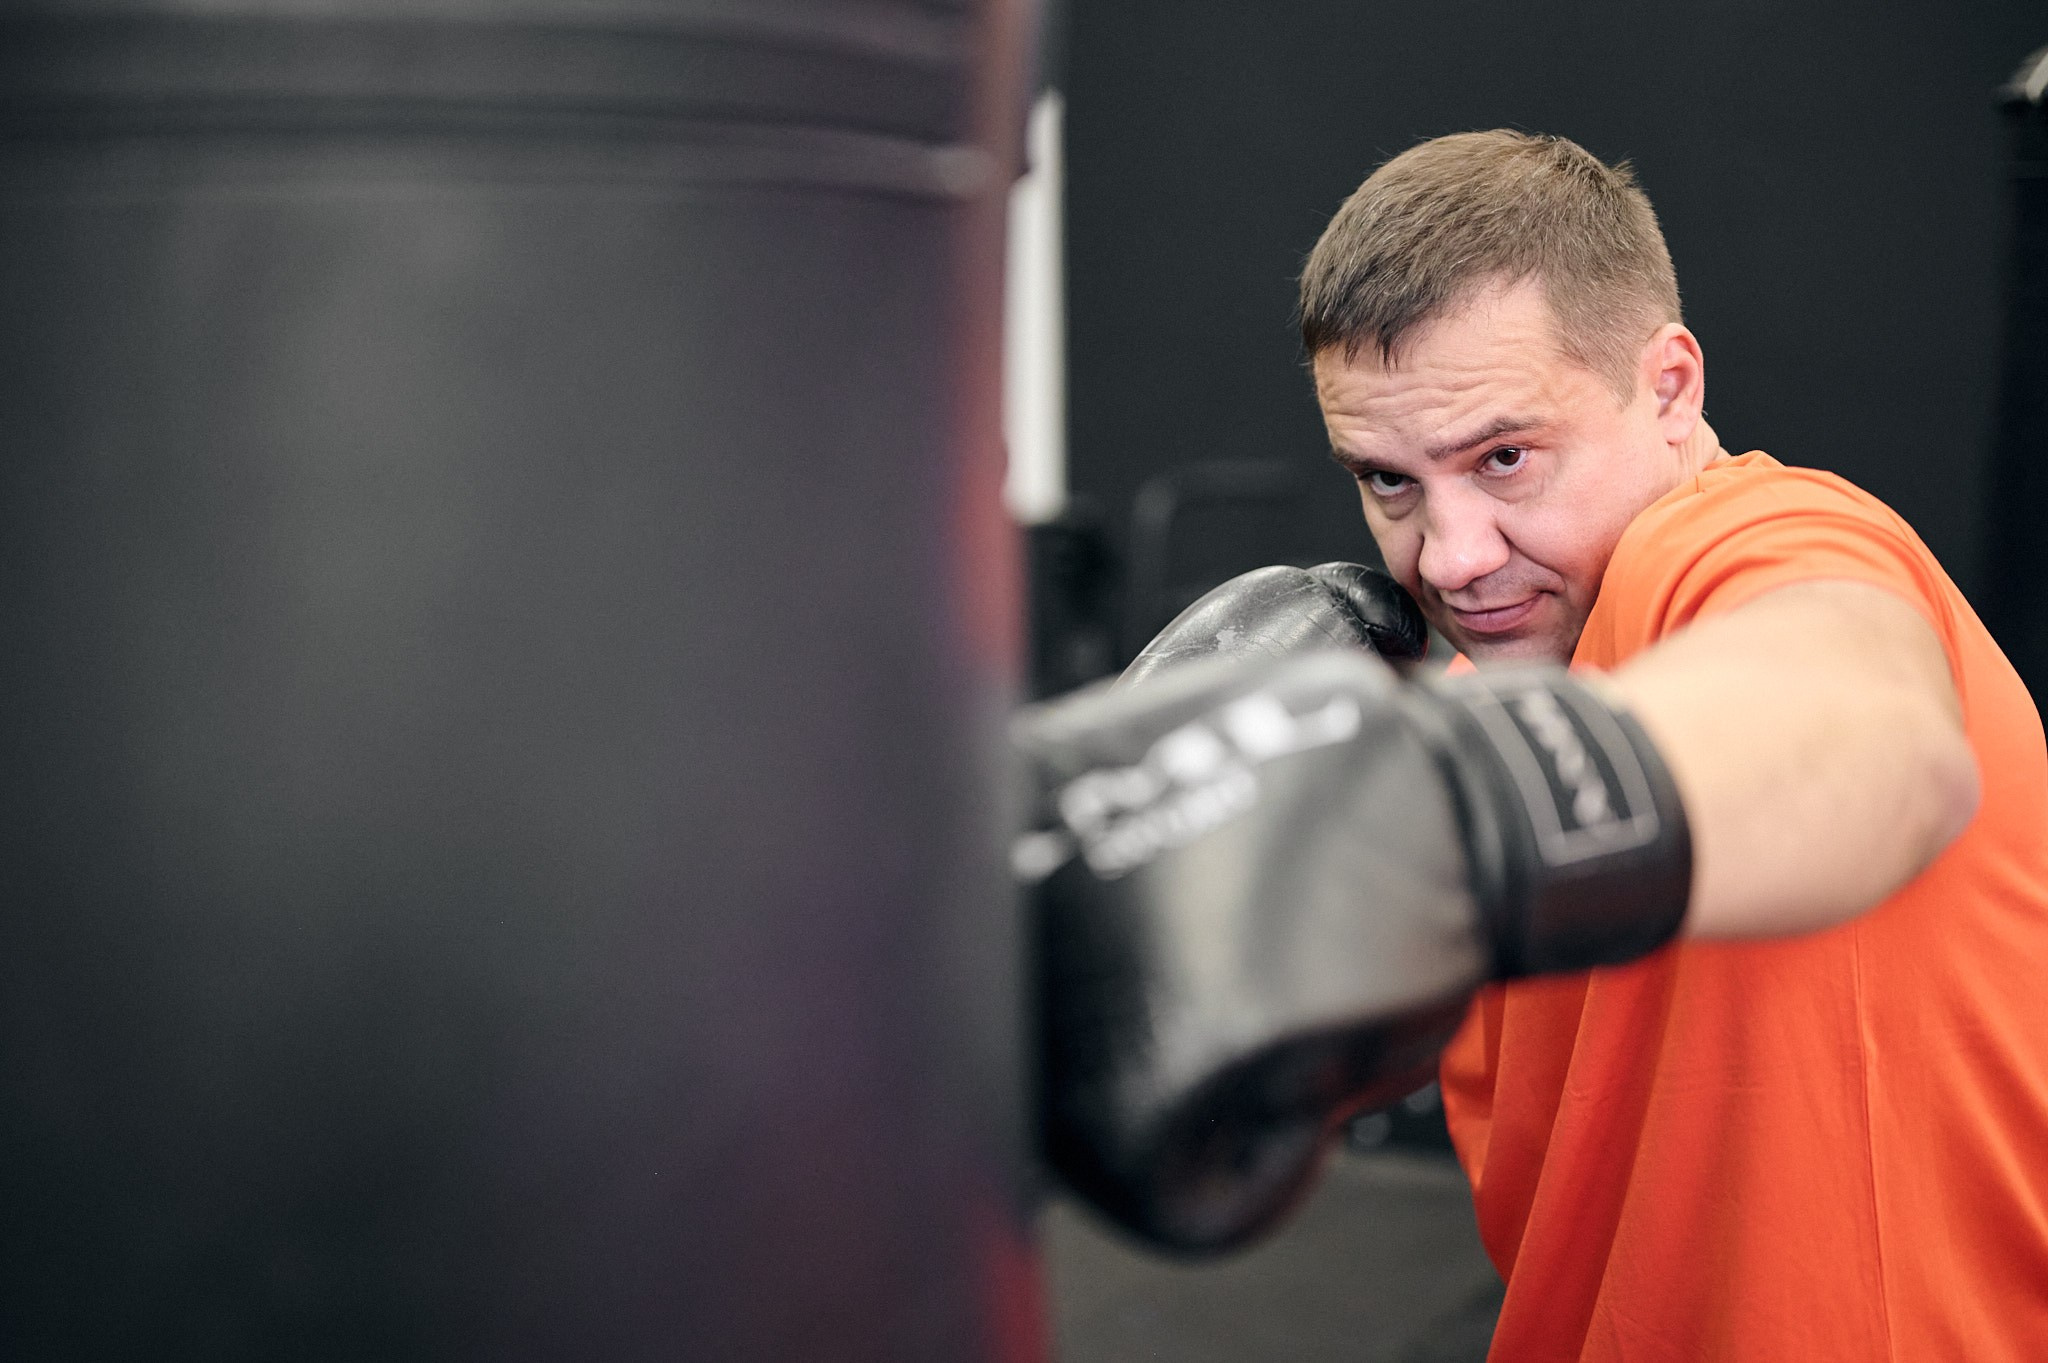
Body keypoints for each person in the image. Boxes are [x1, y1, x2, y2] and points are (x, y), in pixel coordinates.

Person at [1290, 130, 2048, 1360]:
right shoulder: (1503, 686)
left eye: (1503, 457)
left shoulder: (1738, 541)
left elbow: (1867, 727)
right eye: (1389, 483)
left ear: (1668, 388)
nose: (1450, 555)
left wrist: (1438, 807)